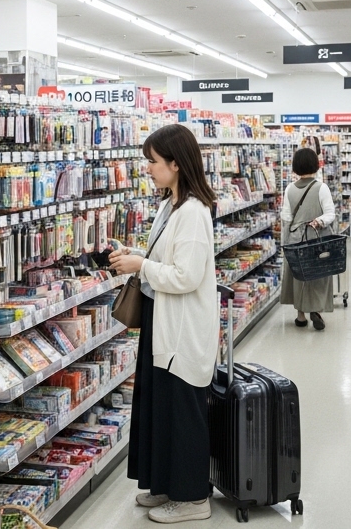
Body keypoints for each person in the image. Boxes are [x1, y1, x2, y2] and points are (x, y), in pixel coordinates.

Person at [108, 124, 217, 524]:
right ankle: (168, 485)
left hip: (181, 327)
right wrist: (138, 256)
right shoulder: (170, 204)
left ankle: (193, 499)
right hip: (162, 319)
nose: (148, 168)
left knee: (183, 411)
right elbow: (166, 260)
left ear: (175, 163)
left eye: (153, 162)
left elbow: (186, 275)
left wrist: (143, 266)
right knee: (162, 407)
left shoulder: (192, 212)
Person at [279, 147, 341, 330]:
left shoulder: (289, 189)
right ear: (316, 165)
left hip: (296, 239)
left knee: (299, 275)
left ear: (295, 167)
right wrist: (319, 221)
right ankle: (316, 309)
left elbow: (286, 217)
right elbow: (330, 213)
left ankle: (300, 315)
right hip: (318, 238)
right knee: (318, 274)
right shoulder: (322, 188)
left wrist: (286, 241)